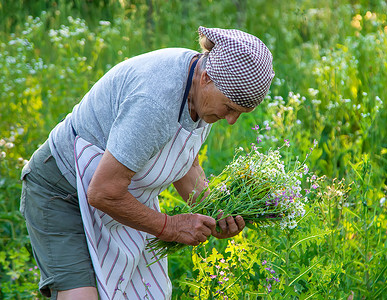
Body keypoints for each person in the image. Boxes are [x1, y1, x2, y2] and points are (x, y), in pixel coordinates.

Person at [20, 26, 274, 299]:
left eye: (241, 112)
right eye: (230, 108)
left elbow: (185, 163)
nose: (232, 120)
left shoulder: (201, 90)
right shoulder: (156, 101)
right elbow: (103, 191)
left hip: (118, 196)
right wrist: (171, 227)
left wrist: (216, 213)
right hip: (62, 192)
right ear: (207, 79)